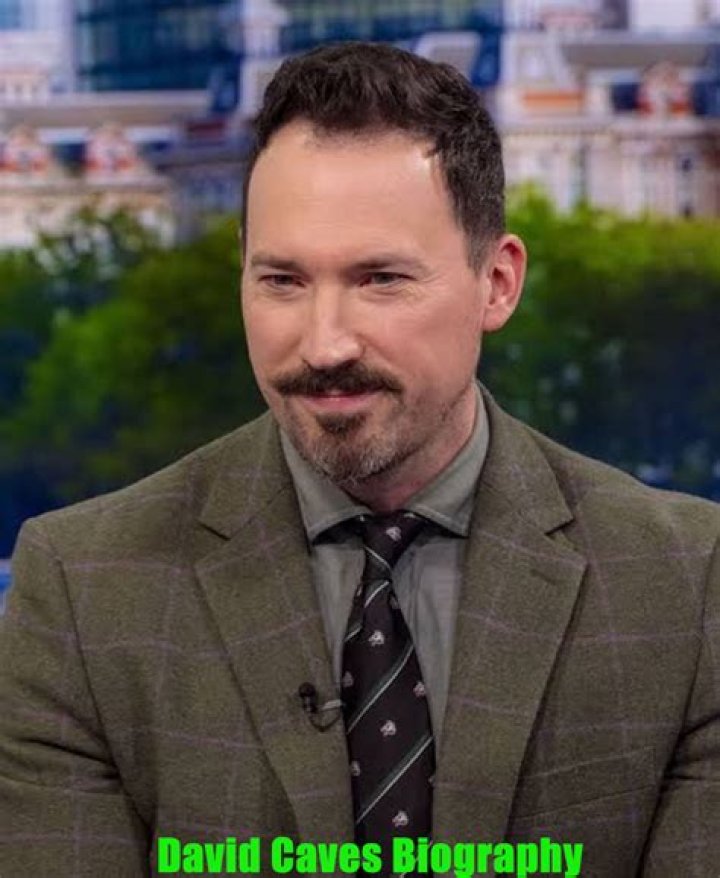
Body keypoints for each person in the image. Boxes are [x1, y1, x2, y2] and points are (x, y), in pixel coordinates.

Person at [1, 41, 718, 878]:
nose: (325, 344)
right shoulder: (82, 590)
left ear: (497, 282)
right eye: (282, 281)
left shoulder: (690, 581)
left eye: (380, 279)